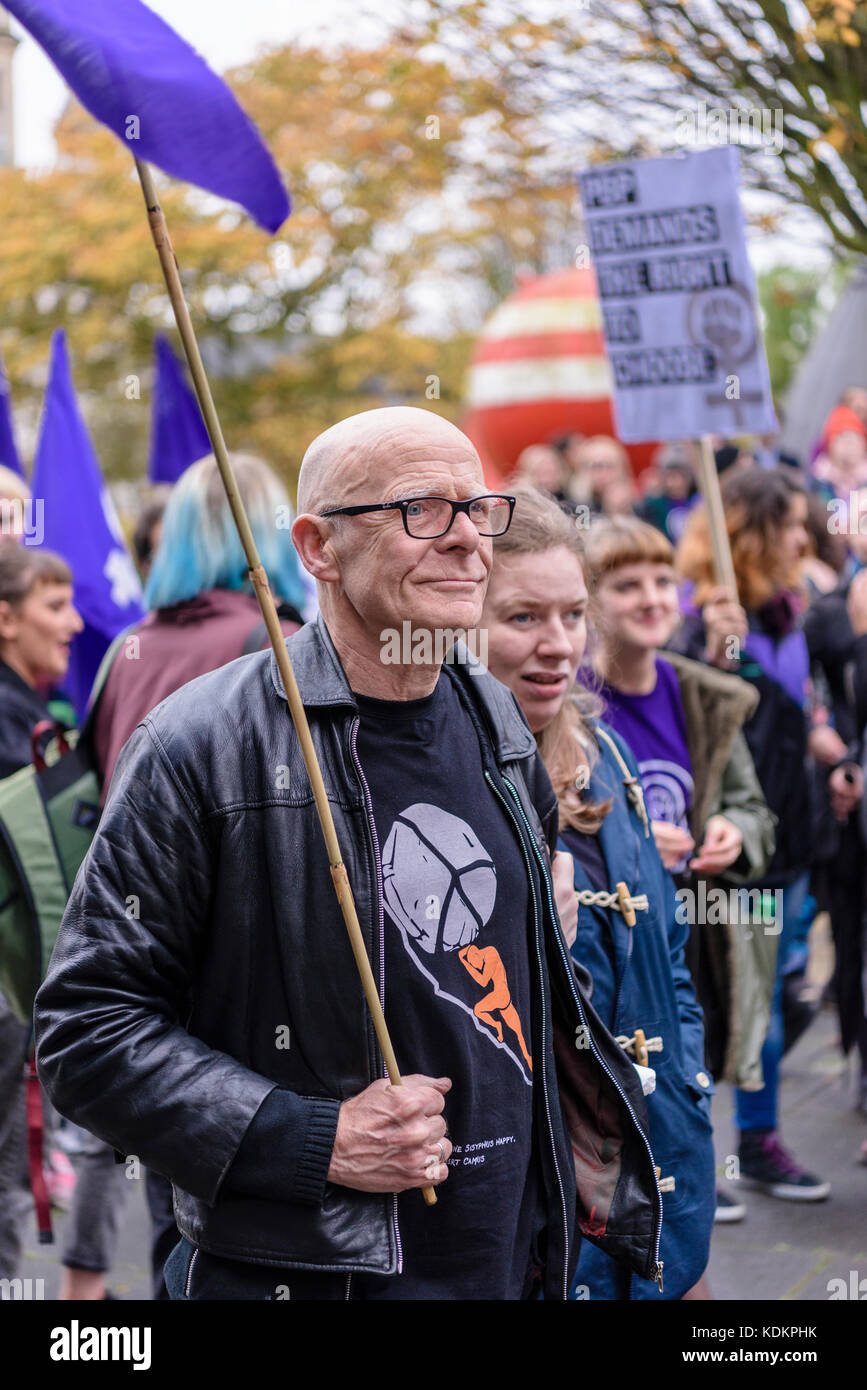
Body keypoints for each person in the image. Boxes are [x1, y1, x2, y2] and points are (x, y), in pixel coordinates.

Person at [34, 407, 662, 1301]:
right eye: (419, 510)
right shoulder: (201, 744)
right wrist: (310, 1137)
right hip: (314, 1272)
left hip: (512, 1255)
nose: (465, 542)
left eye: (475, 508)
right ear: (318, 547)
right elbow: (87, 1028)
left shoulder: (496, 720)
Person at [59, 451, 308, 1303]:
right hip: (246, 979)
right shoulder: (279, 645)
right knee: (231, 1221)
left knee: (177, 1203)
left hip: (136, 971)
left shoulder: (124, 648)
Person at [480, 487, 714, 1300]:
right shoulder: (441, 790)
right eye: (520, 618)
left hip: (655, 1168)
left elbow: (669, 961)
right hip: (536, 1209)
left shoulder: (606, 755)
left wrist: (683, 1086)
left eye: (572, 614)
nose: (555, 644)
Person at [580, 515, 776, 1222]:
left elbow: (755, 810)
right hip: (606, 946)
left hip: (695, 926)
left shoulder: (701, 695)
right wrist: (624, 841)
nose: (652, 598)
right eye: (626, 585)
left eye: (664, 581)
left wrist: (731, 830)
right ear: (589, 602)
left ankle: (685, 1174)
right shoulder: (561, 700)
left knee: (688, 1070)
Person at [674, 466, 832, 1200]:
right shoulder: (698, 620)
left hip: (791, 840)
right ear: (754, 533)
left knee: (772, 998)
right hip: (734, 855)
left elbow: (791, 714)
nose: (805, 537)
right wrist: (715, 650)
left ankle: (753, 1142)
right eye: (791, 525)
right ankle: (708, 1160)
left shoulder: (786, 612)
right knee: (730, 1005)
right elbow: (706, 715)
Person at [0, 544, 83, 1281]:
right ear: (4, 618)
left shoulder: (31, 712)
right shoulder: (7, 724)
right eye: (53, 607)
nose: (76, 622)